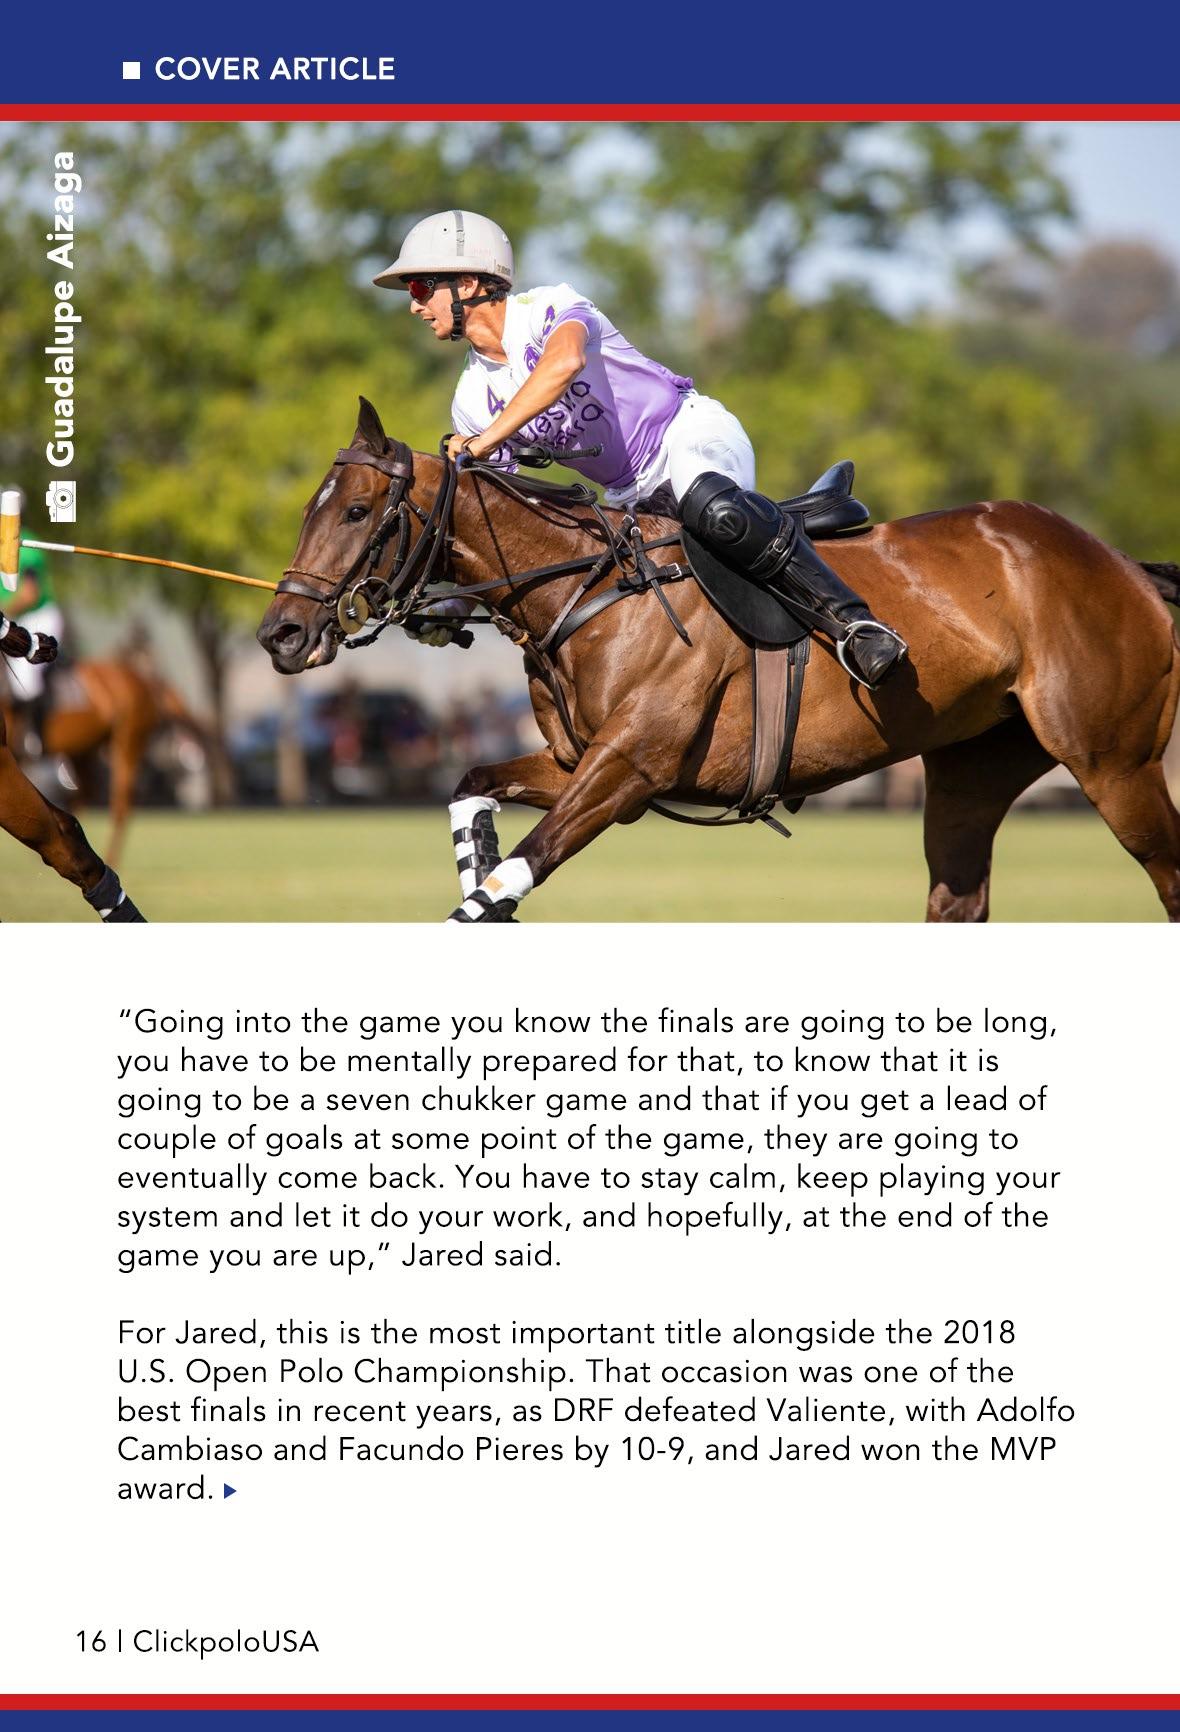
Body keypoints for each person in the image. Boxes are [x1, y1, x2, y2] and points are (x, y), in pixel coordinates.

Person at [373, 209, 906, 687]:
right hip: (628, 498)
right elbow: (505, 518)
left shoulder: (551, 306)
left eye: (420, 288)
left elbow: (564, 365)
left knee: (714, 510)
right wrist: (456, 600)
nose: (415, 306)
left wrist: (486, 440)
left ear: (468, 283)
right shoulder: (470, 400)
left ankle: (857, 625)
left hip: (686, 435)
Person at [3, 542, 65, 754]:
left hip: (38, 616)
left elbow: (30, 595)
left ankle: (33, 738)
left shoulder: (22, 543)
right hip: (12, 619)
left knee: (24, 677)